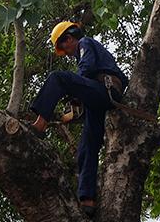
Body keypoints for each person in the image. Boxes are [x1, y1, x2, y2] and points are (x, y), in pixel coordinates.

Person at [31, 22, 129, 209]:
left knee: (57, 78)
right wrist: (77, 100)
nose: (65, 52)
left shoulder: (85, 43)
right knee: (87, 146)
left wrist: (74, 89)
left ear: (69, 38)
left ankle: (40, 124)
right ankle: (87, 199)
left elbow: (87, 68)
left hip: (106, 90)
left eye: (63, 47)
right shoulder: (83, 51)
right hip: (97, 98)